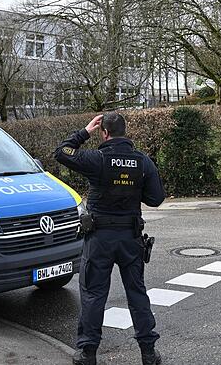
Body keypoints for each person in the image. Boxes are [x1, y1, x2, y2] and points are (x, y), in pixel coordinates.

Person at [54, 112, 166, 365]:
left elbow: (62, 152)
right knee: (137, 294)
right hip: (130, 238)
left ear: (104, 132)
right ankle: (148, 353)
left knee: (94, 294)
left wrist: (84, 131)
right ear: (124, 132)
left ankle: (87, 353)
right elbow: (155, 199)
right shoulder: (142, 162)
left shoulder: (97, 159)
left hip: (99, 239)